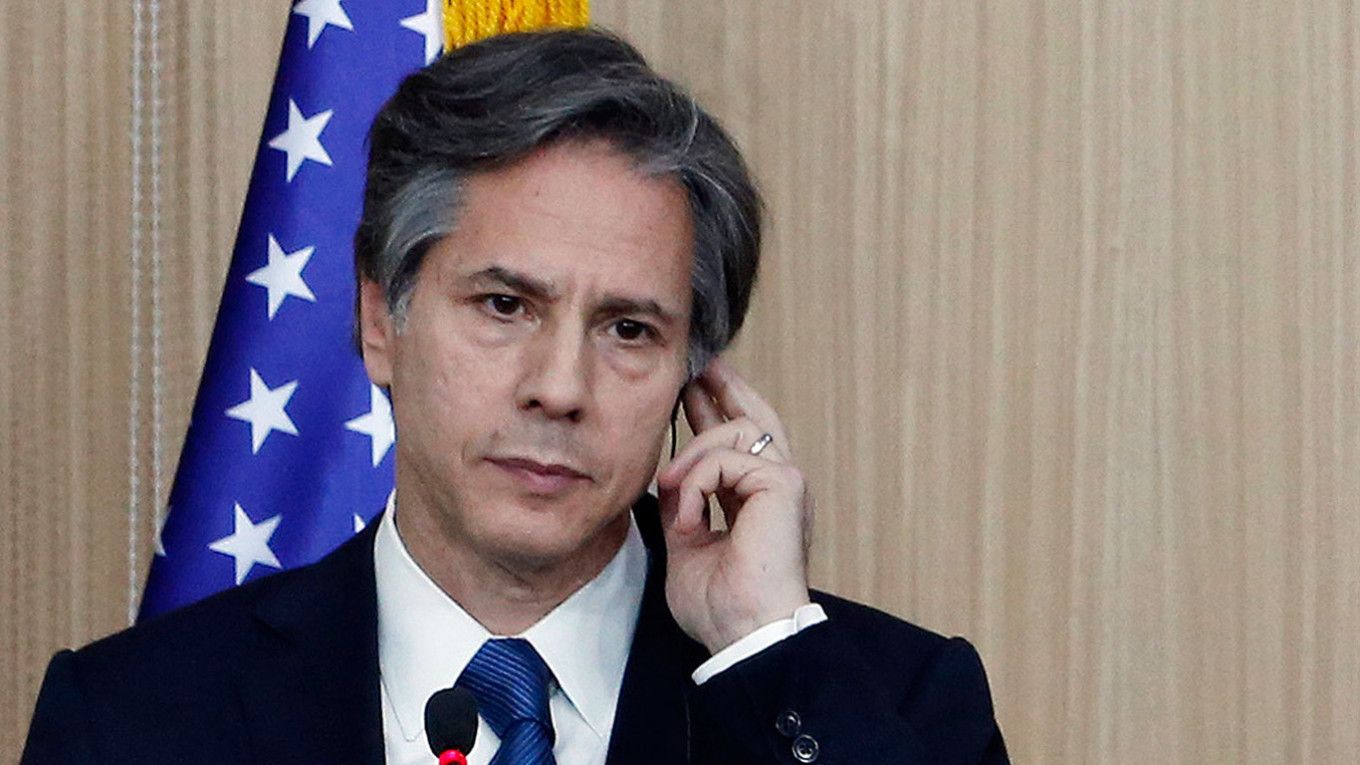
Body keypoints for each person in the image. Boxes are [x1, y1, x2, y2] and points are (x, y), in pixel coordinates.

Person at [22, 28, 1008, 764]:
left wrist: (764, 653)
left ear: (695, 374)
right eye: (504, 305)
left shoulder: (895, 708)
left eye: (629, 329)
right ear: (380, 318)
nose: (559, 388)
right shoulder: (130, 720)